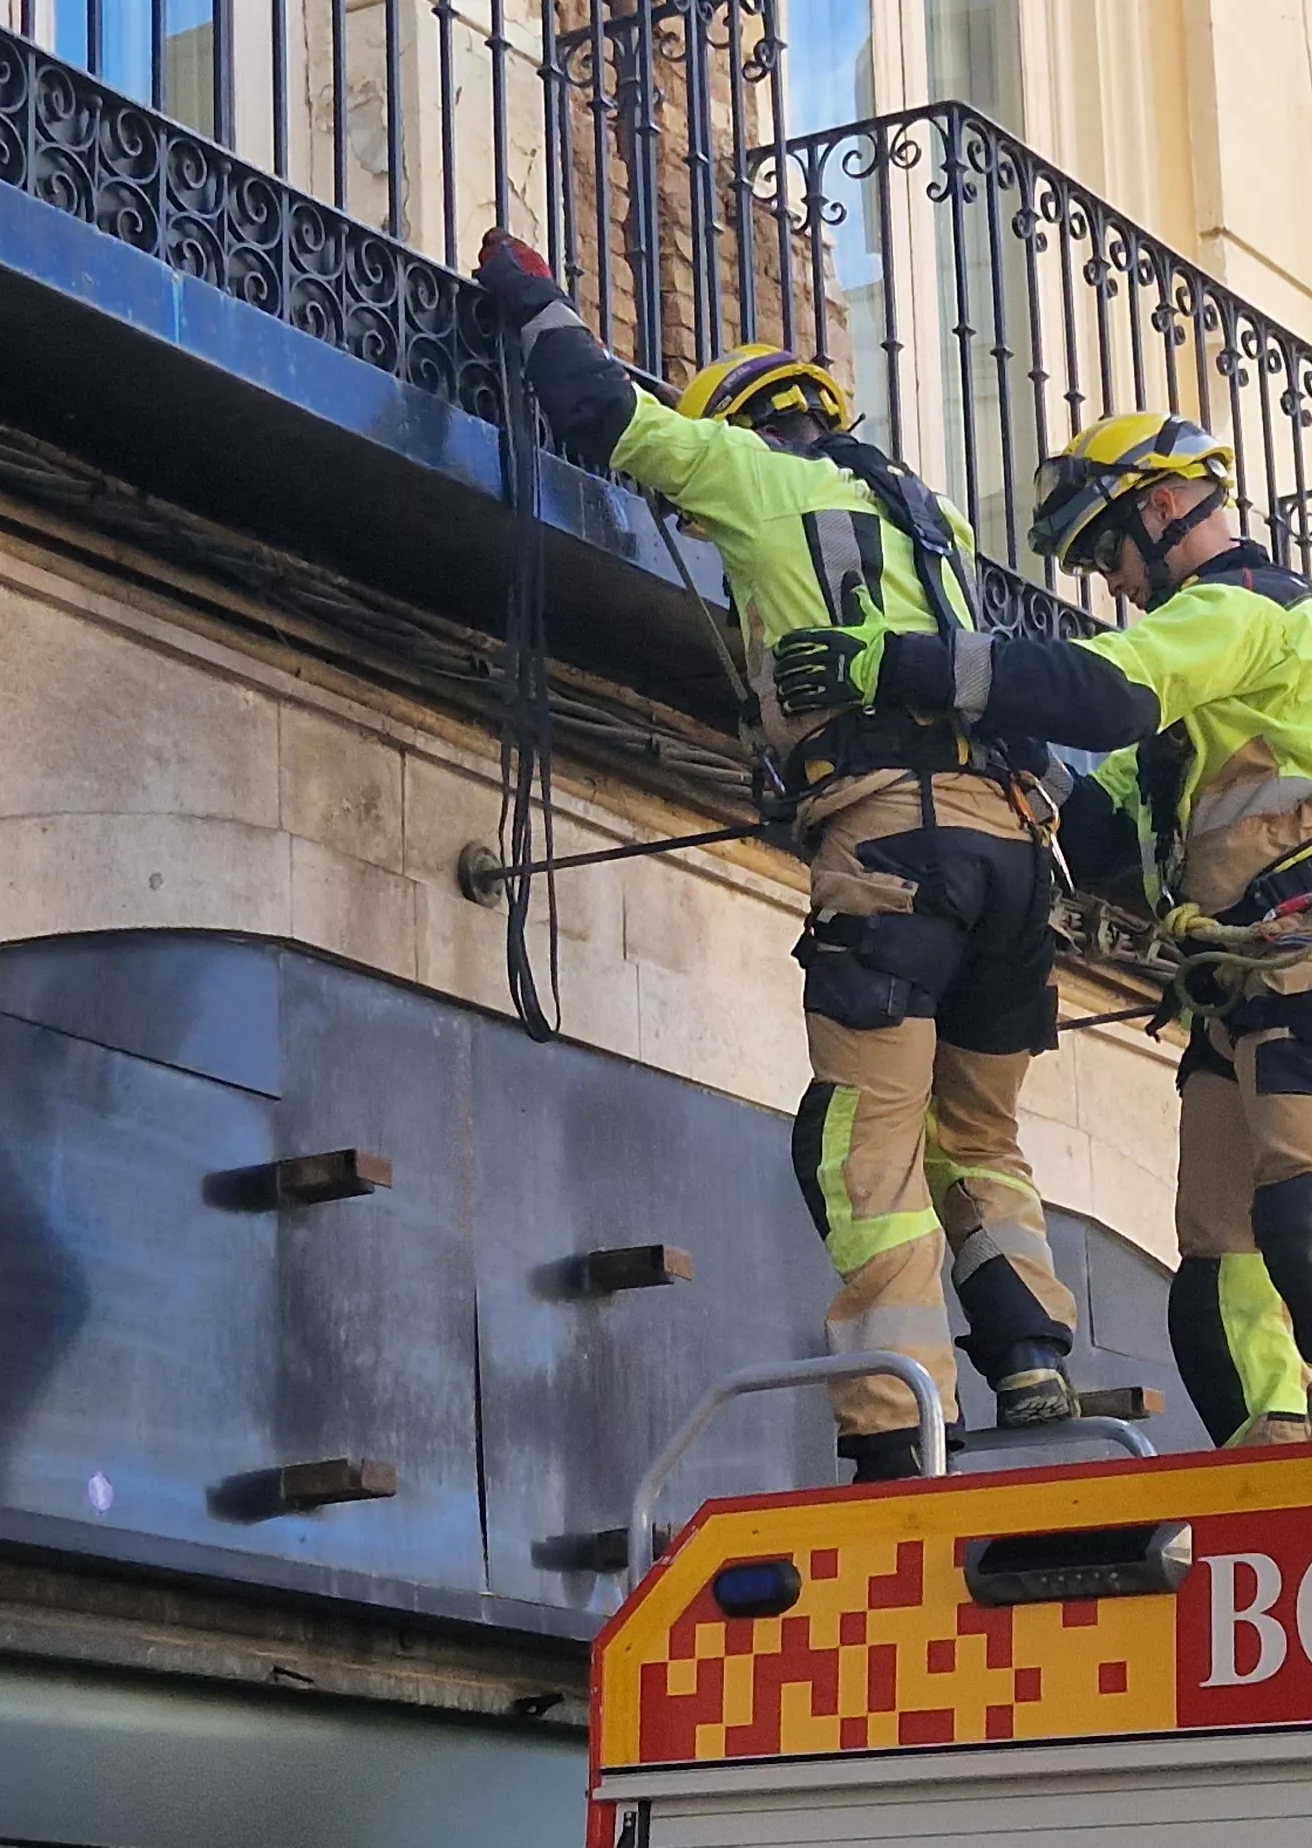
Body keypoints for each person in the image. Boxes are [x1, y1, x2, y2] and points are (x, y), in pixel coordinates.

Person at [473, 230, 1077, 1481]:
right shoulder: (936, 527)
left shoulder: (755, 476)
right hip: (1016, 857)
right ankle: (1031, 1361)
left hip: (895, 845)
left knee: (861, 1145)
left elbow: (597, 408)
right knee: (981, 1138)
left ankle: (894, 1430)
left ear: (747, 424)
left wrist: (530, 294)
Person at [770, 412, 1312, 1447]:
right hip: (1246, 982)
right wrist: (940, 768)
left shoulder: (1252, 609)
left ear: (1164, 507)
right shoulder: (1196, 716)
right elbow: (1091, 810)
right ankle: (1271, 1467)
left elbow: (1106, 691)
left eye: (1107, 551)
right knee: (1216, 1276)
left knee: (1309, 1225)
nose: (1112, 582)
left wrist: (904, 664)